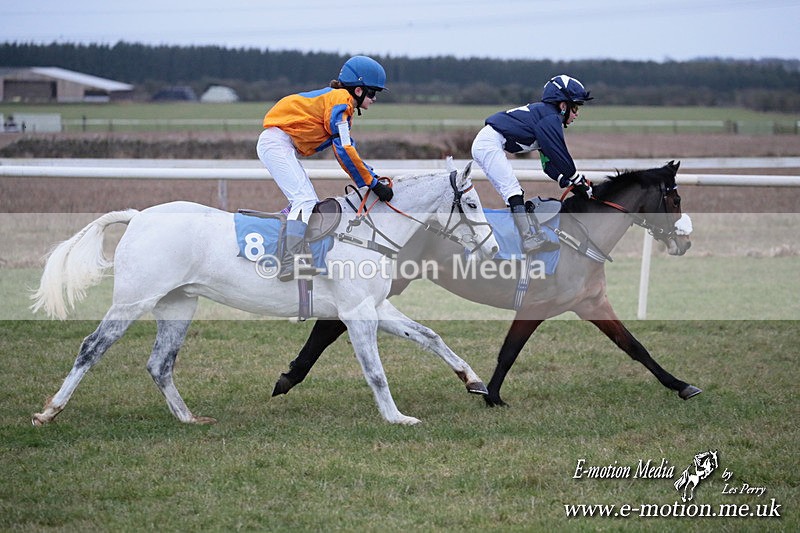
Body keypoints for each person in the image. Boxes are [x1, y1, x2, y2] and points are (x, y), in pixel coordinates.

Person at [257, 55, 393, 281]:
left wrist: (372, 178)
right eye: (372, 92)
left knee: (307, 199)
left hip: (280, 143)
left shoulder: (340, 102)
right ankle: (289, 261)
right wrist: (372, 183)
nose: (375, 98)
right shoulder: (342, 102)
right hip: (276, 142)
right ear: (358, 90)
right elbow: (345, 149)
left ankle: (289, 242)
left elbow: (348, 150)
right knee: (305, 200)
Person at [471, 74, 593, 253]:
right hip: (488, 143)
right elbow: (560, 153)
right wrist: (576, 179)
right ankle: (528, 239)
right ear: (563, 105)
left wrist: (565, 180)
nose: (576, 114)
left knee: (513, 192)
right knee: (512, 190)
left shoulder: (545, 118)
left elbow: (548, 165)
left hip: (488, 143)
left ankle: (524, 236)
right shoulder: (550, 119)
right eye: (575, 108)